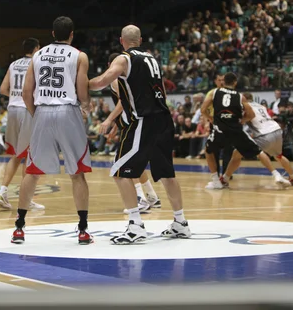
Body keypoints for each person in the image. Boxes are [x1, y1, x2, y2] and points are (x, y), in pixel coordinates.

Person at [89, 24, 191, 244]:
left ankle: (135, 226)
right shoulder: (152, 59)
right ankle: (180, 222)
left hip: (145, 120)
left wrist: (79, 84)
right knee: (166, 174)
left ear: (121, 41)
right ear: (141, 39)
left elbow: (101, 82)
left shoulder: (124, 59)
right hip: (164, 119)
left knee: (119, 170)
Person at [12, 16, 93, 245]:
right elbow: (82, 90)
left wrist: (36, 113)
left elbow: (27, 93)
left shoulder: (37, 55)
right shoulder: (79, 55)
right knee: (77, 173)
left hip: (43, 112)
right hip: (68, 111)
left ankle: (19, 227)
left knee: (32, 172)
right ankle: (83, 230)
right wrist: (86, 106)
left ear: (52, 33)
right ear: (71, 34)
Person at [202, 72, 291, 189]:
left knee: (209, 151)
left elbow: (203, 109)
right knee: (257, 152)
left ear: (223, 82)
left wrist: (211, 119)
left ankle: (216, 180)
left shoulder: (214, 92)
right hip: (235, 129)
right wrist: (242, 120)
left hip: (220, 128)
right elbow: (251, 114)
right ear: (235, 83)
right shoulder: (240, 96)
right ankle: (276, 175)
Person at [99, 53, 161, 215]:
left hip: (132, 122)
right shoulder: (127, 78)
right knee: (136, 162)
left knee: (122, 163)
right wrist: (115, 127)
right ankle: (152, 196)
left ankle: (140, 199)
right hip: (134, 122)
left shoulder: (114, 80)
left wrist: (109, 120)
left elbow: (122, 102)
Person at [0, 38, 44, 210]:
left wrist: (15, 97)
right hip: (27, 110)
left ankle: (2, 191)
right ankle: (26, 200)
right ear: (36, 48)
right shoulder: (38, 62)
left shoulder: (13, 64)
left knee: (16, 155)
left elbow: (2, 89)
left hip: (13, 109)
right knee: (30, 155)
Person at [229, 92, 293, 186]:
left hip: (265, 133)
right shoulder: (261, 106)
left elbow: (247, 118)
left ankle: (276, 175)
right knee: (278, 156)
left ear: (244, 99)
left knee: (244, 152)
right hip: (276, 130)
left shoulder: (245, 107)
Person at [203, 74, 234, 180]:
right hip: (215, 124)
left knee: (228, 150)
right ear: (215, 81)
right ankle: (215, 172)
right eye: (219, 80)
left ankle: (226, 174)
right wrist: (209, 119)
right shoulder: (211, 93)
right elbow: (204, 109)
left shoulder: (231, 93)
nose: (221, 82)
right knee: (213, 150)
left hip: (228, 124)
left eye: (223, 80)